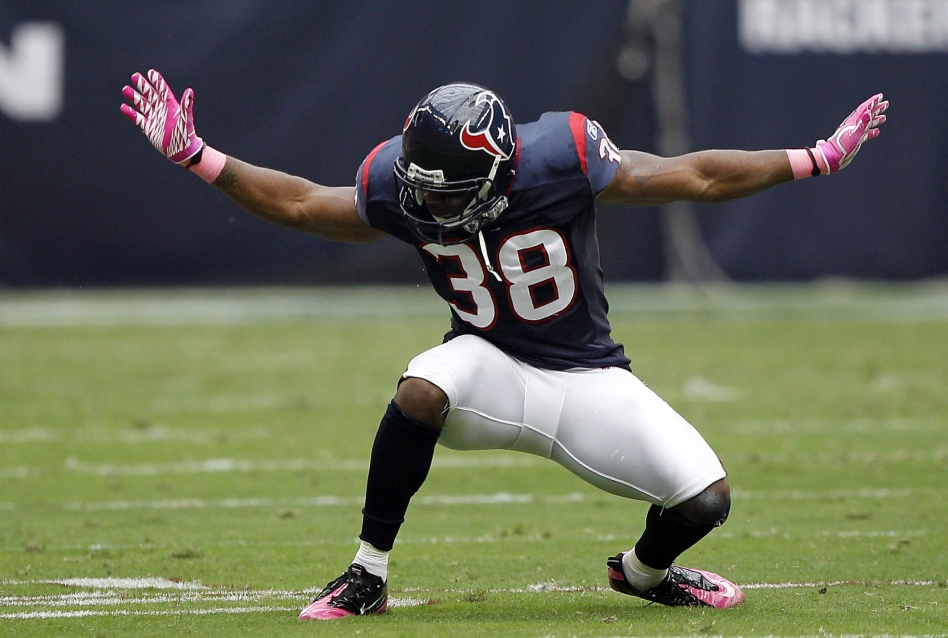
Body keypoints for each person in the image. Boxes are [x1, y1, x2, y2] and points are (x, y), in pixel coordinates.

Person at [121, 69, 887, 619]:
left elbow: (694, 176)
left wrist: (812, 158)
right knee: (419, 388)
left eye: (449, 192)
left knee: (706, 499)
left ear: (497, 171)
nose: (428, 202)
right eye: (422, 185)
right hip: (486, 363)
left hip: (588, 374)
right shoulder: (401, 178)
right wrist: (200, 157)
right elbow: (299, 203)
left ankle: (646, 574)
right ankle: (367, 574)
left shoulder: (563, 156)